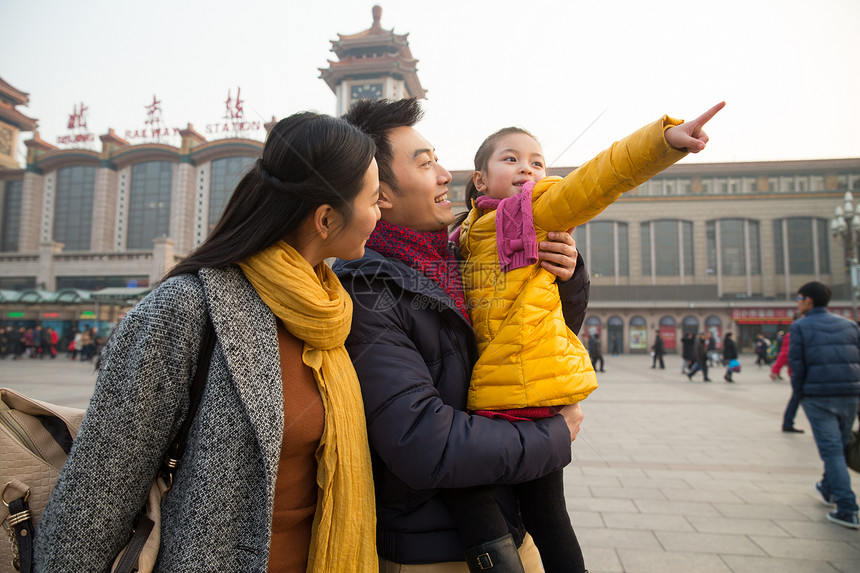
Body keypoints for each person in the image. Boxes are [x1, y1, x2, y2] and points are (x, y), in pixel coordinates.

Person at [35, 112, 382, 571]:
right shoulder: (186, 309)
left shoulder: (328, 312)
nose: (381, 213)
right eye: (375, 200)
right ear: (325, 219)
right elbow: (96, 496)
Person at [337, 98, 586, 572]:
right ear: (380, 194)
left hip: (514, 525)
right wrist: (555, 435)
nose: (444, 174)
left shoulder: (459, 257)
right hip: (435, 553)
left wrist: (567, 276)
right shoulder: (370, 292)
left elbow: (532, 339)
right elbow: (420, 441)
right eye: (425, 164)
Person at [789, 281, 860, 530]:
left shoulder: (800, 327)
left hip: (819, 396)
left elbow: (797, 367)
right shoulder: (850, 325)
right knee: (838, 447)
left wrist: (798, 396)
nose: (797, 303)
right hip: (851, 394)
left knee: (831, 451)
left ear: (808, 300)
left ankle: (848, 508)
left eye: (798, 298)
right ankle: (828, 489)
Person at [771, 316, 804, 432]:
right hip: (799, 372)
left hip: (805, 372)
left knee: (797, 398)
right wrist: (775, 369)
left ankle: (788, 422)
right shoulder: (791, 336)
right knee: (798, 398)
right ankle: (788, 423)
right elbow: (784, 354)